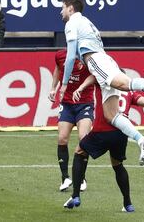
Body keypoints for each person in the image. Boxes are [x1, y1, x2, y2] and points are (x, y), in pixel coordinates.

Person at [59, 0, 144, 165]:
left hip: (96, 61)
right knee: (111, 115)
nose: (61, 11)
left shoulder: (72, 23)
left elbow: (70, 57)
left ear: (71, 8)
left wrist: (64, 85)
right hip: (103, 59)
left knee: (125, 84)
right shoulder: (87, 22)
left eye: (63, 7)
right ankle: (141, 139)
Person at [64, 78, 144, 211]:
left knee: (80, 151)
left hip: (102, 131)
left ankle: (76, 195)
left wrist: (81, 87)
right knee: (118, 165)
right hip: (121, 134)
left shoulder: (103, 83)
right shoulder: (129, 92)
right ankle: (128, 204)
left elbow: (93, 75)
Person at [49, 49, 94, 191]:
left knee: (83, 138)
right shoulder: (61, 55)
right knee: (62, 138)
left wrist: (81, 88)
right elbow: (57, 69)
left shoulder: (88, 57)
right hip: (67, 104)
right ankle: (65, 178)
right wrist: (53, 88)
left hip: (85, 104)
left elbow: (94, 75)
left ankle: (81, 178)